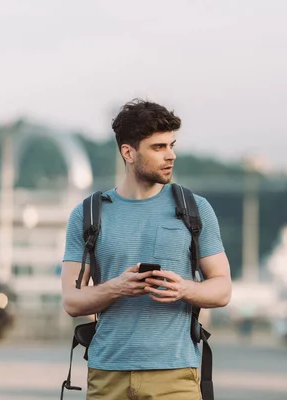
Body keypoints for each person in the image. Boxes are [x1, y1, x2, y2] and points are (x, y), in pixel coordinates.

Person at [61, 99, 232, 399]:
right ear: (128, 152)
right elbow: (72, 301)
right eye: (158, 147)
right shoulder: (88, 214)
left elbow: (222, 289)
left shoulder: (195, 209)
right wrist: (117, 287)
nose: (171, 155)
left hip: (175, 374)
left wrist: (183, 289)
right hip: (107, 373)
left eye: (171, 145)